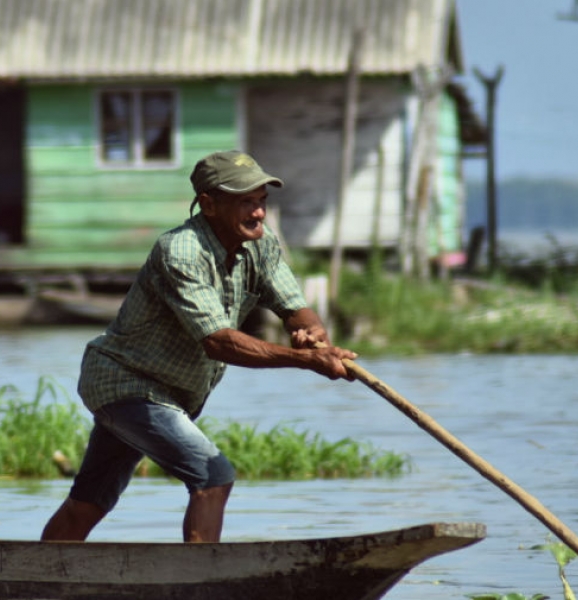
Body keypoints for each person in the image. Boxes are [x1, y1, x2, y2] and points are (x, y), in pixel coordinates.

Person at [40, 150, 358, 544]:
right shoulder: (181, 252)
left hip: (171, 393)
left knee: (90, 502)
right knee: (213, 475)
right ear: (208, 204)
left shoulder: (261, 243)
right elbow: (218, 341)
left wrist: (313, 334)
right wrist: (306, 360)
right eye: (246, 202)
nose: (258, 213)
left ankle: (30, 577)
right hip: (126, 384)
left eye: (261, 202)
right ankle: (200, 582)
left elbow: (295, 307)